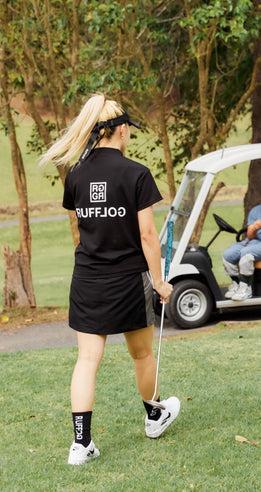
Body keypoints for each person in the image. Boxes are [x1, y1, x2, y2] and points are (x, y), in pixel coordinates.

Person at [39, 94, 180, 465]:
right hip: (128, 281)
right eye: (128, 130)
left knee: (87, 360)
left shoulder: (77, 174)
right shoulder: (136, 173)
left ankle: (80, 445)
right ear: (120, 130)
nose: (129, 136)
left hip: (87, 280)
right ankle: (154, 415)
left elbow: (84, 225)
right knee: (142, 353)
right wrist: (161, 282)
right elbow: (149, 236)